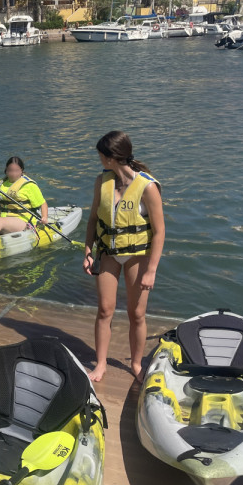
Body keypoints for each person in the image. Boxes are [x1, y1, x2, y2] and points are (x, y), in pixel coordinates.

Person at [82, 131, 165, 383]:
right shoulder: (102, 181)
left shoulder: (147, 187)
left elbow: (160, 232)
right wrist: (87, 250)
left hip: (137, 257)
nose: (98, 159)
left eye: (100, 155)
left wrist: (151, 270)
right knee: (105, 309)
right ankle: (101, 364)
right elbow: (94, 219)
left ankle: (137, 364)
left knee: (136, 314)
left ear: (111, 157)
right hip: (108, 253)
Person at [0, 156, 48, 239]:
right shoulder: (2, 182)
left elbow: (43, 203)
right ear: (6, 170)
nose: (13, 174)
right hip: (3, 216)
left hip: (22, 220)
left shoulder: (29, 185)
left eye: (17, 171)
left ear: (22, 171)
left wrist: (44, 217)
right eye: (10, 170)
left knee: (0, 221)